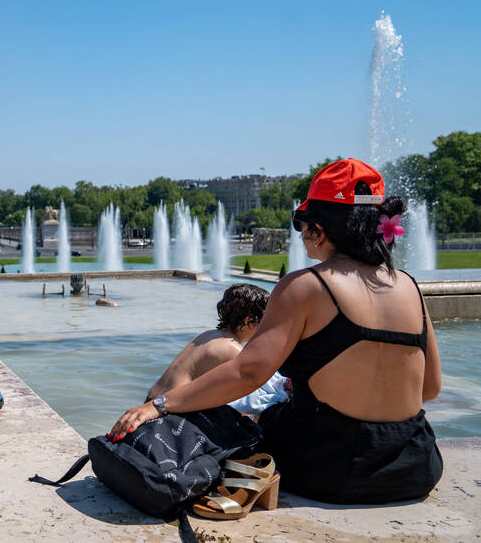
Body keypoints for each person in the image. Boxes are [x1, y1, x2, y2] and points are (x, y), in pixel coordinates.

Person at [110, 159, 442, 505]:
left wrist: (160, 405)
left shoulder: (305, 286)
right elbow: (429, 388)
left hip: (328, 469)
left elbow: (247, 373)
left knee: (223, 414)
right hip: (414, 465)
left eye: (302, 223)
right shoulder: (409, 285)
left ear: (319, 228)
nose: (301, 234)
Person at [145, 284, 272, 407]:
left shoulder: (208, 335)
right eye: (264, 321)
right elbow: (246, 398)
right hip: (167, 413)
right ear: (247, 320)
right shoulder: (232, 349)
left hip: (152, 402)